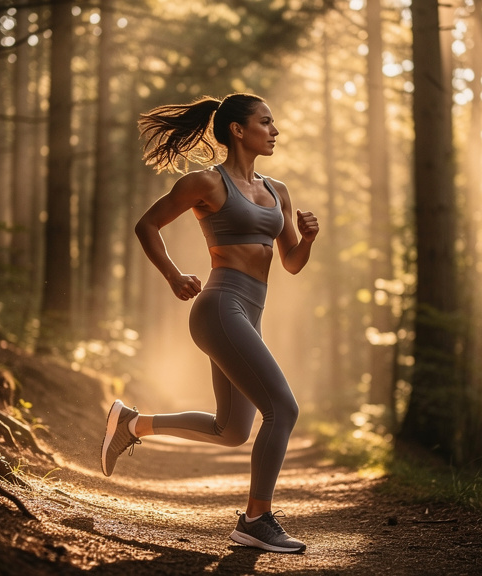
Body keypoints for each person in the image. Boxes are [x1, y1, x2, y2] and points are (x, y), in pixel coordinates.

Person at [99, 93, 319, 554]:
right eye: (266, 121)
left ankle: (134, 424)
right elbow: (147, 225)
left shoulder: (278, 190)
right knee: (284, 409)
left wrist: (310, 238)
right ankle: (257, 518)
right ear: (238, 130)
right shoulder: (207, 183)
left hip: (249, 313)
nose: (275, 130)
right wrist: (174, 274)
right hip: (220, 306)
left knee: (233, 430)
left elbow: (292, 263)